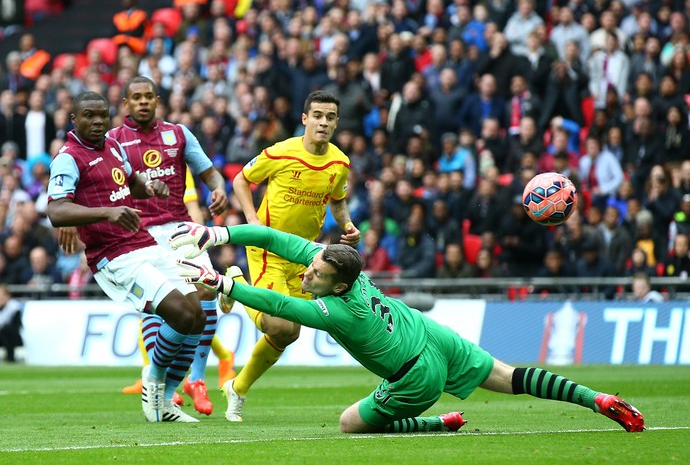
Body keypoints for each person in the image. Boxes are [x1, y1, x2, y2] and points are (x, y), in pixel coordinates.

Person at [170, 222, 645, 434]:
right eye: (311, 265)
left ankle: (433, 423)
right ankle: (598, 399)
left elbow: (275, 302)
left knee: (349, 424)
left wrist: (221, 281)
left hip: (416, 376)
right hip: (432, 335)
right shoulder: (347, 268)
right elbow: (274, 238)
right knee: (512, 378)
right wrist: (217, 235)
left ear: (336, 285)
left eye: (315, 275)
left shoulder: (338, 312)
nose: (307, 273)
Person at [47, 91, 204, 423]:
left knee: (197, 316)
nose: (98, 121)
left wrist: (149, 187)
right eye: (89, 115)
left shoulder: (113, 146)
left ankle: (164, 398)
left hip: (142, 241)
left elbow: (129, 181)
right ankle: (155, 381)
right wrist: (108, 212)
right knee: (179, 313)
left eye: (103, 115)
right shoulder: (68, 157)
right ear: (74, 119)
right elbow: (57, 210)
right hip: (113, 256)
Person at [228, 90, 360, 422]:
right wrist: (253, 222)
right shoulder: (280, 152)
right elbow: (241, 180)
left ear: (336, 123)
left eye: (330, 117)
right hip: (268, 248)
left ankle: (238, 388)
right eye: (317, 115)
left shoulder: (339, 162)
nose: (323, 122)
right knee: (276, 322)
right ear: (305, 119)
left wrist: (347, 224)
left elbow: (338, 199)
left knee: (289, 332)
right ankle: (234, 281)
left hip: (306, 256)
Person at [106, 76, 235, 415]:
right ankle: (162, 382)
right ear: (125, 104)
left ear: (158, 100)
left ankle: (172, 381)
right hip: (139, 232)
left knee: (207, 293)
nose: (143, 102)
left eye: (149, 96)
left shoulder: (178, 134)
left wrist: (218, 189)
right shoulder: (113, 141)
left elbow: (208, 171)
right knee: (160, 305)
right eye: (136, 97)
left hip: (180, 228)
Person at [0, 284, 23, 363]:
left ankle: (10, 358)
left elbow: (17, 326)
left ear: (8, 296)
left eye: (3, 295)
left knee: (7, 330)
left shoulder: (14, 307)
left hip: (13, 337)